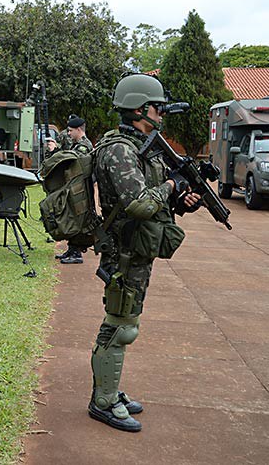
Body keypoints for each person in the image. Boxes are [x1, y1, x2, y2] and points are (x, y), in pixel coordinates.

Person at [88, 74, 201, 432]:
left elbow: (151, 199)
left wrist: (180, 200)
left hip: (137, 248)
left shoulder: (141, 146)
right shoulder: (120, 149)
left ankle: (110, 391)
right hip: (124, 251)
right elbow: (137, 204)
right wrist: (170, 185)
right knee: (120, 328)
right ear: (140, 109)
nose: (162, 113)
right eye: (158, 107)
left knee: (123, 324)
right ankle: (102, 401)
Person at [57, 114, 94, 265]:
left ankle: (77, 252)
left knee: (79, 219)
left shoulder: (84, 145)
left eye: (71, 130)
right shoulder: (77, 144)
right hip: (77, 188)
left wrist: (55, 152)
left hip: (82, 189)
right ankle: (72, 249)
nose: (69, 133)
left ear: (79, 129)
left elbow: (74, 163)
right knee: (72, 216)